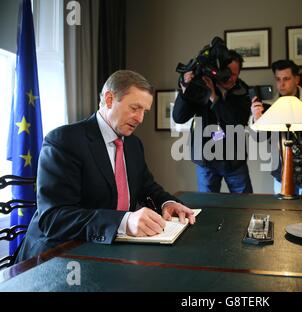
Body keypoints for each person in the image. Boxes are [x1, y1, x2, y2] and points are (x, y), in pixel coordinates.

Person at [16, 70, 195, 262]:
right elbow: (54, 219)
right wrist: (124, 221)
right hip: (57, 254)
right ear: (109, 99)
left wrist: (168, 203)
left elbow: (147, 186)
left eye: (145, 111)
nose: (140, 119)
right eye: (135, 108)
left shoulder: (133, 144)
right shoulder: (64, 141)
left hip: (107, 249)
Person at [173, 50, 253, 193]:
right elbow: (179, 117)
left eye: (234, 74)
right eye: (227, 73)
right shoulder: (202, 87)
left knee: (244, 204)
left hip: (235, 160)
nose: (230, 78)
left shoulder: (243, 92)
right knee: (207, 205)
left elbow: (236, 124)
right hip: (206, 160)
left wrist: (214, 98)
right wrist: (185, 90)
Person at [251, 60, 302, 201]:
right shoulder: (269, 106)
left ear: (297, 79)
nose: (281, 84)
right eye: (278, 79)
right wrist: (257, 120)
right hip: (282, 172)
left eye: (286, 79)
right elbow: (261, 138)